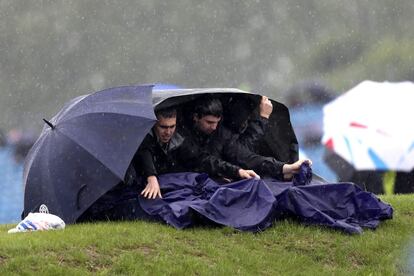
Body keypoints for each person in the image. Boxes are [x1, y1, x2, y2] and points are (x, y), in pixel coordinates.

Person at [182, 95, 310, 182]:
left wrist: (283, 168)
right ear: (196, 117)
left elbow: (245, 155)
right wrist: (236, 171)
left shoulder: (221, 133)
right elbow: (205, 160)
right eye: (209, 123)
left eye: (217, 122)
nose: (214, 127)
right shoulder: (183, 134)